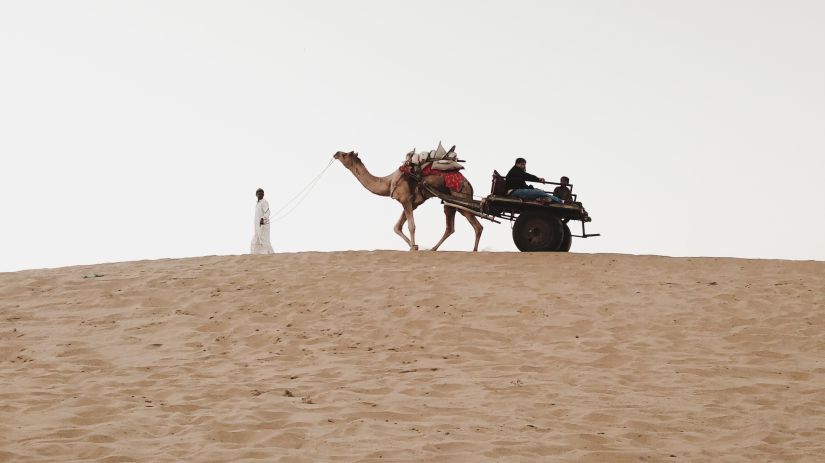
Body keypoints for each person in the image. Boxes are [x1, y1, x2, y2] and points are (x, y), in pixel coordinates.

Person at [250, 188, 274, 254]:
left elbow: (268, 211)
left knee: (264, 241)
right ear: (256, 195)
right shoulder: (257, 204)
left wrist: (263, 218)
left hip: (263, 225)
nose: (261, 194)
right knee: (255, 241)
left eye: (262, 193)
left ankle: (270, 255)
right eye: (259, 193)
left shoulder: (264, 202)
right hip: (257, 227)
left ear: (263, 194)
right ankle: (254, 256)